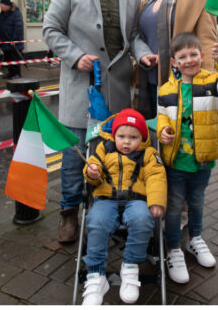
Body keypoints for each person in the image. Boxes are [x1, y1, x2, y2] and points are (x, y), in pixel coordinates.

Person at [43, 0, 154, 244]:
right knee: (74, 155)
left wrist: (144, 56)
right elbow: (51, 30)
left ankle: (108, 210)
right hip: (81, 87)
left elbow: (133, 36)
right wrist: (76, 56)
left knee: (113, 155)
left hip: (117, 89)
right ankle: (68, 213)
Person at [157, 33, 218, 283]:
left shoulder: (213, 82)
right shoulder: (165, 90)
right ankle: (174, 247)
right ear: (174, 62)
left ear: (202, 56)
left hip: (203, 160)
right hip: (176, 161)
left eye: (193, 55)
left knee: (197, 201)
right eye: (182, 57)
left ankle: (195, 238)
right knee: (174, 206)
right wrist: (162, 130)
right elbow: (162, 115)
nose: (189, 60)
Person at [79, 108, 166, 304]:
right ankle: (95, 277)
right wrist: (91, 173)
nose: (126, 142)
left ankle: (130, 266)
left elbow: (156, 177)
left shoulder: (149, 154)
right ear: (114, 135)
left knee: (143, 219)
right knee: (96, 221)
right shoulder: (103, 148)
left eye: (133, 137)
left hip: (137, 199)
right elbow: (92, 165)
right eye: (121, 136)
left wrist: (156, 202)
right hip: (106, 198)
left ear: (142, 137)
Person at [136, 0, 218, 118]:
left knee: (177, 140)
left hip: (181, 81)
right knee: (154, 137)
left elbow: (207, 39)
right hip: (148, 79)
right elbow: (139, 36)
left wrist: (207, 81)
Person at [0, 0, 24, 79]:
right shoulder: (1, 15)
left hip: (14, 43)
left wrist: (14, 40)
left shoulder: (16, 13)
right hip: (5, 42)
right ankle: (11, 73)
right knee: (8, 58)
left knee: (15, 59)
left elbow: (18, 27)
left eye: (1, 5)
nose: (0, 6)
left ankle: (17, 74)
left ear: (7, 5)